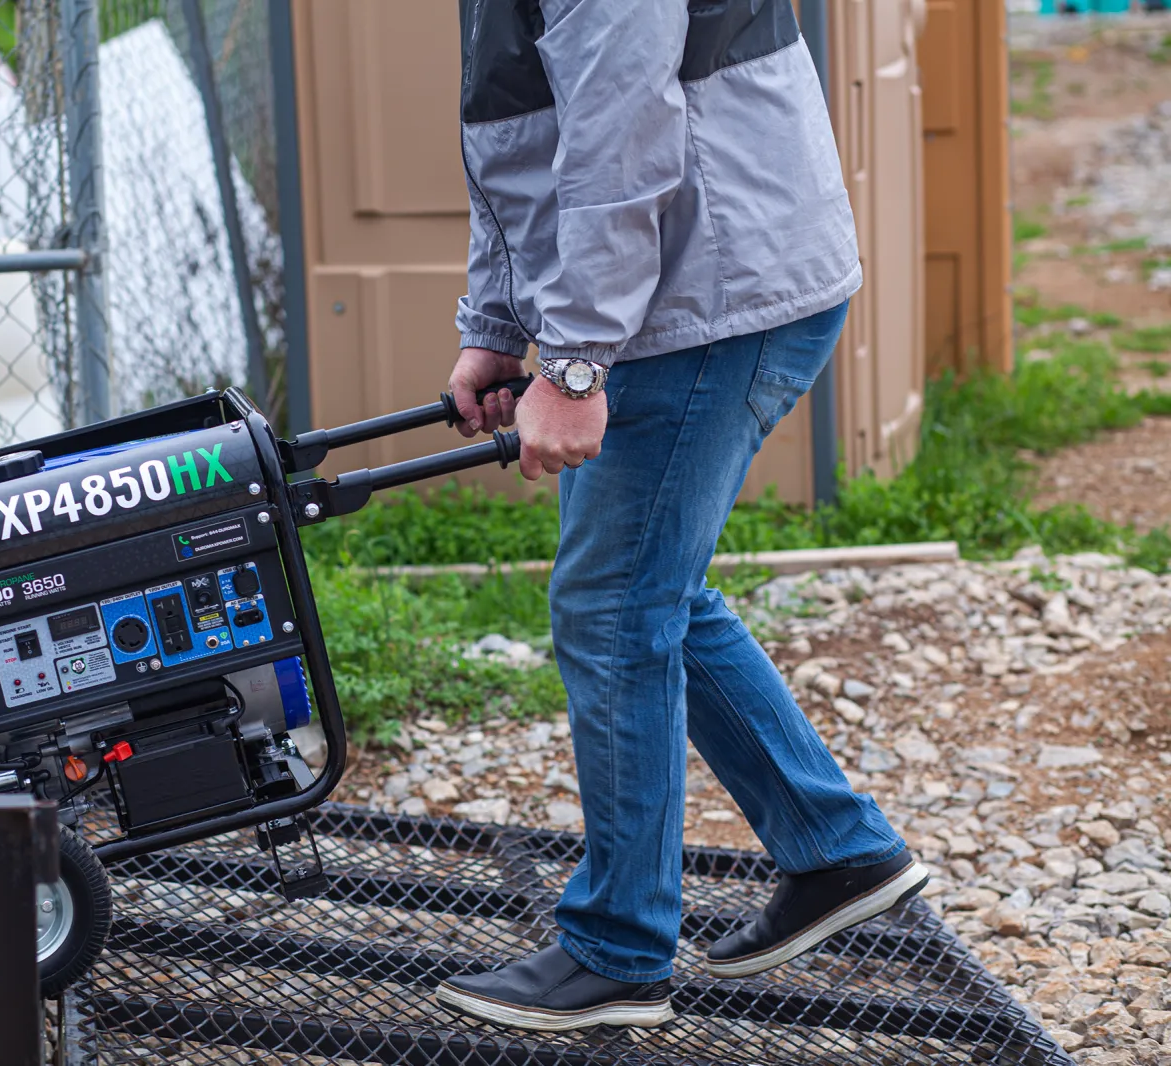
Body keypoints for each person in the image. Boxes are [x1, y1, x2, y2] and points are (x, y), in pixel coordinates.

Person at [433, 0, 926, 1033]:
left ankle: (618, 950)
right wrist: (494, 325)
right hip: (688, 282)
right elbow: (517, 126)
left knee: (613, 603)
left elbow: (621, 138)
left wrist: (570, 362)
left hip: (708, 291)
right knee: (649, 587)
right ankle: (838, 851)